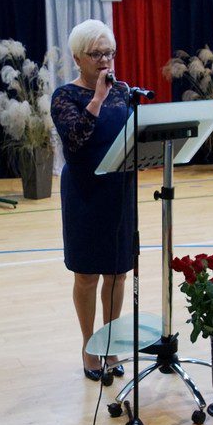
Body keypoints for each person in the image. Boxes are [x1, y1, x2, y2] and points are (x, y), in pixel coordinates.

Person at [51, 20, 135, 381]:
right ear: (77, 58)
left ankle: (110, 345)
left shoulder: (124, 91)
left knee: (117, 273)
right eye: (96, 54)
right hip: (85, 192)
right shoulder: (65, 97)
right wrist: (98, 98)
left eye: (109, 53)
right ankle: (89, 347)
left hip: (119, 190)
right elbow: (77, 137)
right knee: (87, 275)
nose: (105, 61)